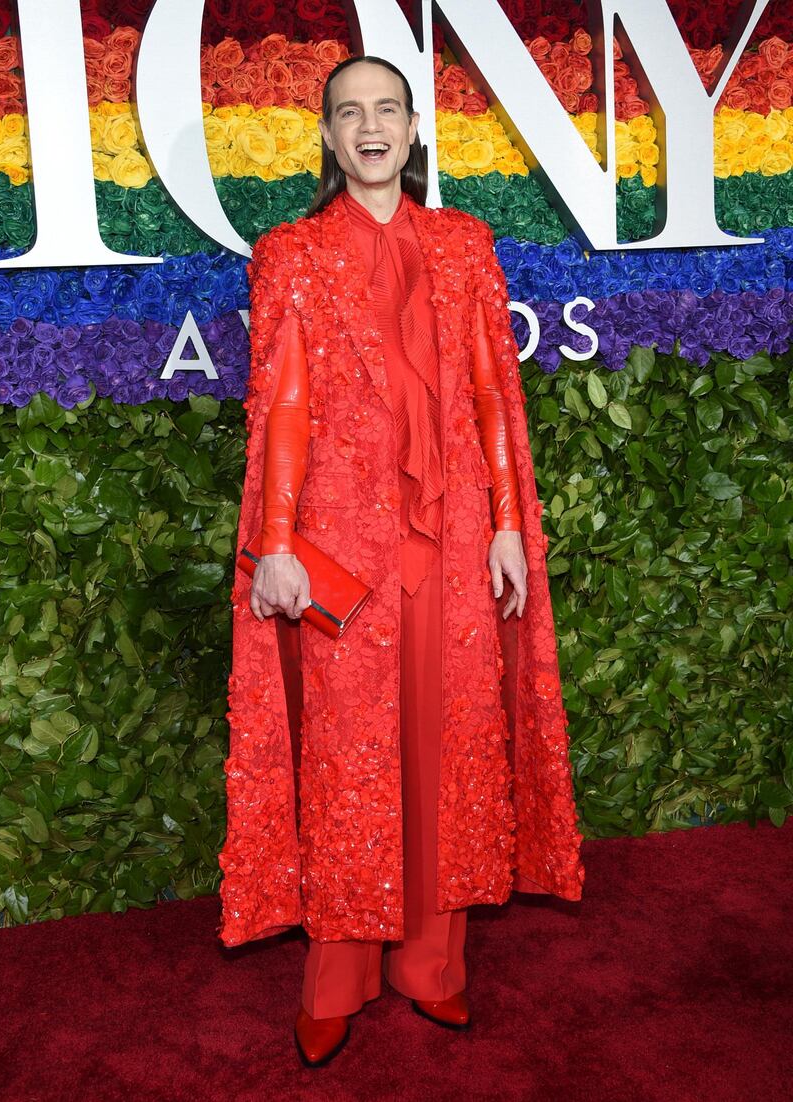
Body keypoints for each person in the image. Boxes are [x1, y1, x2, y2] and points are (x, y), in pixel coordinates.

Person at [218, 54, 584, 1067]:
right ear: (328, 137)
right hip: (343, 542)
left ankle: (433, 968)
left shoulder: (465, 245)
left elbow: (489, 401)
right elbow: (279, 405)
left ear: (412, 129)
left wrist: (509, 523)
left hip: (458, 536)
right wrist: (278, 544)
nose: (369, 127)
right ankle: (335, 980)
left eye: (386, 110)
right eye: (349, 113)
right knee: (349, 760)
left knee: (448, 744)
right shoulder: (289, 252)